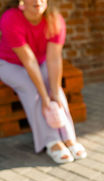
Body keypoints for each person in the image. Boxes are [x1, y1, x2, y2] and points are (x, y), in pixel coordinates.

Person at [0, 0, 87, 163]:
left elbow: (54, 59)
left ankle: (69, 137)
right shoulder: (9, 19)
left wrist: (53, 93)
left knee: (55, 89)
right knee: (32, 89)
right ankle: (51, 141)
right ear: (22, 1)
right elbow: (28, 60)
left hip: (41, 61)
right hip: (9, 63)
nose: (38, 1)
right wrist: (45, 97)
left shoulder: (56, 20)